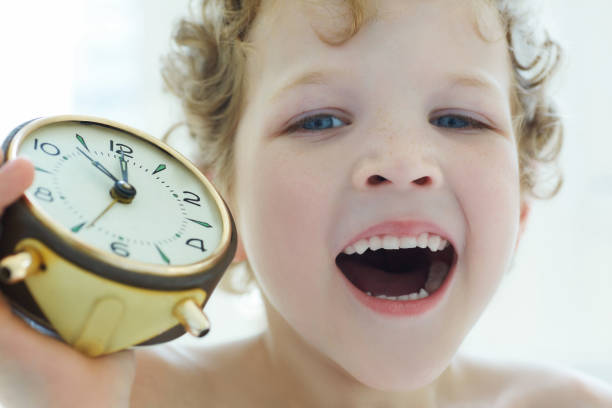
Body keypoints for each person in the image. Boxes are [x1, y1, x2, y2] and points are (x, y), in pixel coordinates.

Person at [1, 0, 612, 406]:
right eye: (319, 120)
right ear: (222, 209)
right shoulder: (116, 393)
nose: (401, 163)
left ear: (522, 205)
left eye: (458, 118)